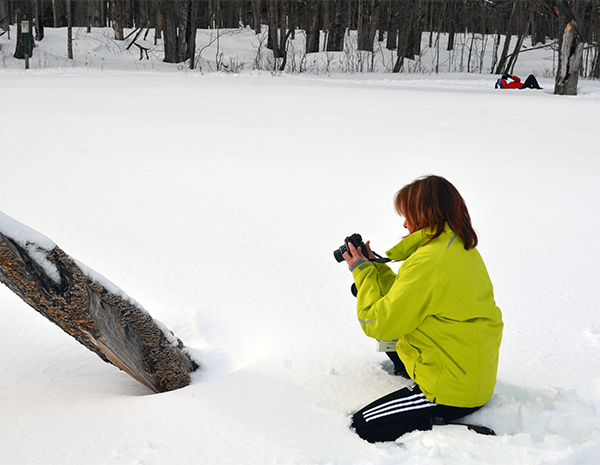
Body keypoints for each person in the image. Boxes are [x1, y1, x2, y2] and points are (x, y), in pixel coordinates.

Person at [342, 175, 503, 443]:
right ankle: (409, 370)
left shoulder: (430, 261)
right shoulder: (457, 247)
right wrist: (376, 269)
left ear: (425, 214)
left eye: (408, 215)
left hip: (452, 392)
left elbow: (377, 323)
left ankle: (454, 430)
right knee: (391, 310)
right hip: (471, 375)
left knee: (363, 427)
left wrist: (363, 273)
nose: (405, 223)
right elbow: (409, 296)